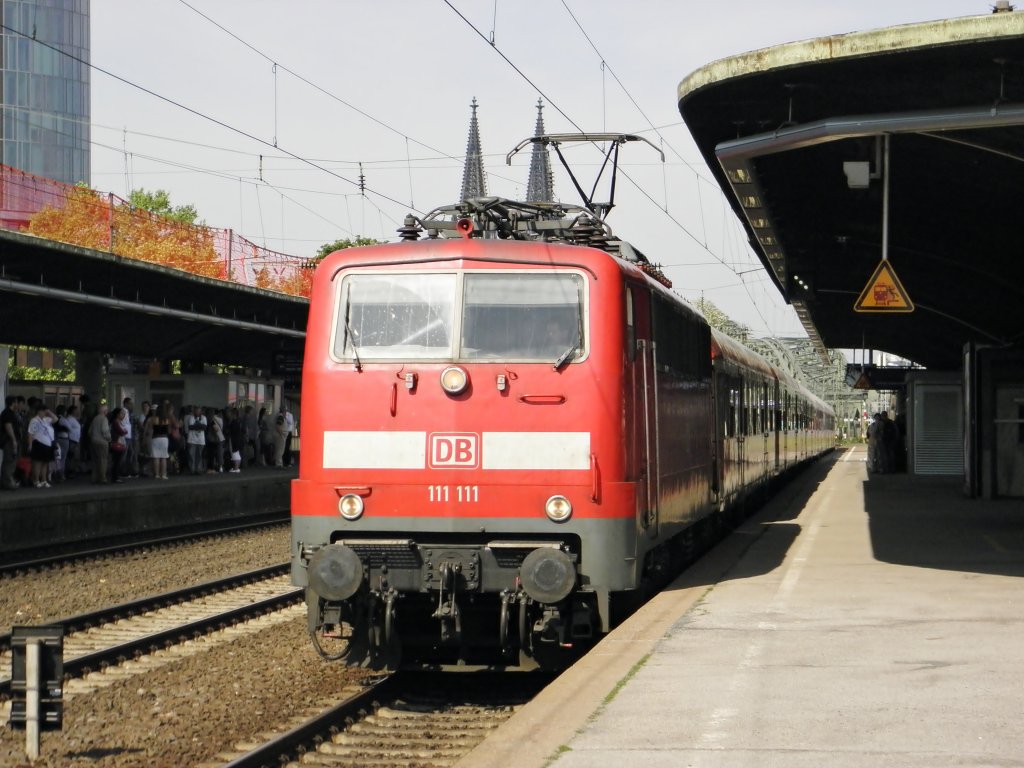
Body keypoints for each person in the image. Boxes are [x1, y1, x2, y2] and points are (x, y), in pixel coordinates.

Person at [26, 402, 58, 489]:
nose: (45, 413)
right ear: (39, 411)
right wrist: (30, 445)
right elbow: (30, 433)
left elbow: (55, 419)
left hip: (48, 444)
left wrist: (49, 412)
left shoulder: (46, 419)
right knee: (38, 463)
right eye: (43, 411)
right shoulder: (34, 420)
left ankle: (44, 480)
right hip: (38, 443)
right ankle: (36, 480)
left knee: (45, 463)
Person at [1, 395, 22, 490]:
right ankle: (8, 482)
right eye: (16, 402)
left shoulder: (12, 413)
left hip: (12, 440)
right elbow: (8, 427)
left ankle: (7, 481)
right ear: (13, 403)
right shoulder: (7, 413)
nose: (18, 404)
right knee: (10, 461)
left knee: (11, 461)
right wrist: (13, 440)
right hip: (9, 441)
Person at [89, 403, 111, 484]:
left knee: (95, 460)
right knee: (103, 460)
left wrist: (93, 438)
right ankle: (102, 478)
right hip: (102, 442)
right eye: (107, 410)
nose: (107, 412)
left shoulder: (95, 418)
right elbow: (105, 431)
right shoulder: (104, 419)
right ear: (105, 411)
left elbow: (90, 431)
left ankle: (94, 477)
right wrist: (109, 439)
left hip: (94, 441)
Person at [184, 404, 207, 475]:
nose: (197, 411)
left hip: (200, 440)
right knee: (191, 455)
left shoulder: (203, 418)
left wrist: (196, 426)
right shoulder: (191, 417)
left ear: (200, 411)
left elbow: (204, 427)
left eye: (198, 409)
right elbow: (190, 427)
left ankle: (198, 469)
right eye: (196, 409)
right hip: (192, 440)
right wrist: (199, 426)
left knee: (199, 456)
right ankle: (192, 469)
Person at [108, 406, 129, 483]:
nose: (123, 415)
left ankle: (115, 476)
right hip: (117, 443)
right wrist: (125, 431)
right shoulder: (115, 422)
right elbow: (121, 431)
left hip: (119, 442)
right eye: (122, 414)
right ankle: (115, 477)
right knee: (116, 461)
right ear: (117, 414)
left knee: (117, 460)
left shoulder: (118, 422)